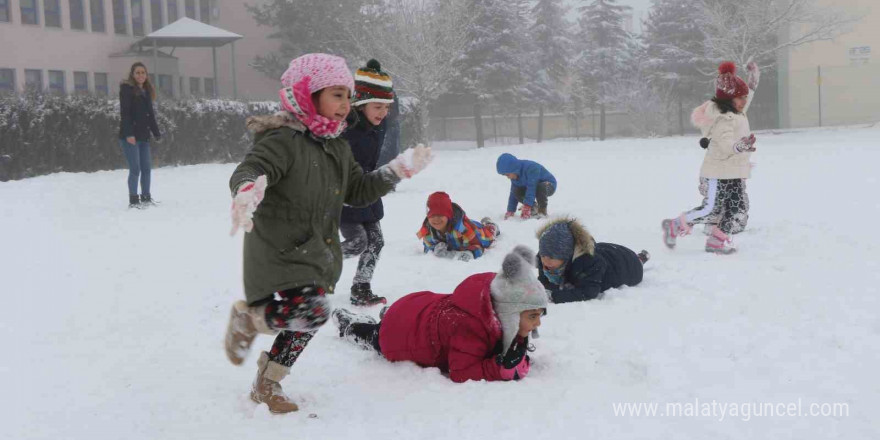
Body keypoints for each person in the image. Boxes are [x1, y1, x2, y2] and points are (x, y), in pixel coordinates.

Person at [222, 53, 431, 414]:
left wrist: (396, 170)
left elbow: (358, 191)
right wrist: (246, 190)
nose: (345, 104)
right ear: (307, 93)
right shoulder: (282, 139)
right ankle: (249, 320)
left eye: (348, 96)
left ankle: (266, 384)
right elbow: (252, 167)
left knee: (308, 319)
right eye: (337, 94)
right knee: (313, 311)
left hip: (316, 249)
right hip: (281, 248)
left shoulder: (336, 145)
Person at [332, 246, 548, 383]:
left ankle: (389, 315)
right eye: (532, 316)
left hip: (417, 306)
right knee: (376, 335)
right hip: (400, 335)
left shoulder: (496, 296)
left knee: (398, 319)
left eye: (539, 315)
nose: (537, 322)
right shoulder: (470, 326)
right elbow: (461, 372)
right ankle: (350, 325)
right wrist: (497, 369)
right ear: (509, 313)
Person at [662, 61, 760, 254]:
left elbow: (746, 97)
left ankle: (717, 240)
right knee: (711, 209)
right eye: (740, 98)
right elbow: (724, 145)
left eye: (744, 98)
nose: (744, 101)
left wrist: (753, 81)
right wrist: (739, 146)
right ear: (730, 99)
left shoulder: (737, 112)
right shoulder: (723, 119)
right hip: (718, 172)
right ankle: (674, 225)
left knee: (736, 208)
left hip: (734, 172)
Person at [340, 59, 397, 307]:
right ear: (361, 104)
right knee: (356, 242)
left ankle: (361, 287)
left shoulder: (379, 124)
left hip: (368, 190)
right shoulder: (345, 127)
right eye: (377, 106)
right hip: (345, 195)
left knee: (376, 240)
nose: (382, 112)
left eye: (386, 106)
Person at [537, 217, 648, 304]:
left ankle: (641, 258)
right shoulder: (543, 259)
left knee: (636, 262)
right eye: (543, 255)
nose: (546, 261)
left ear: (567, 256)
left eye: (552, 257)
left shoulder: (589, 263)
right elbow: (543, 282)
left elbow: (588, 292)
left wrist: (553, 296)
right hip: (605, 250)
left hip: (628, 264)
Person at [118, 62, 161, 208]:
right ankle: (134, 199)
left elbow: (150, 115)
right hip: (130, 137)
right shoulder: (127, 90)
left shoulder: (146, 91)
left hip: (144, 136)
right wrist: (129, 133)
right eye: (138, 73)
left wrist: (156, 132)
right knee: (135, 169)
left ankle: (146, 197)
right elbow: (125, 113)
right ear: (132, 74)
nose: (141, 75)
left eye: (143, 72)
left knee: (146, 168)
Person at [416, 191, 499, 262]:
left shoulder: (463, 229)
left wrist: (470, 253)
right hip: (465, 231)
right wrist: (435, 249)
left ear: (448, 215)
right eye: (432, 216)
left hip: (477, 234)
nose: (436, 220)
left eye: (440, 215)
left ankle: (490, 225)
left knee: (489, 235)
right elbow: (427, 248)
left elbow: (478, 246)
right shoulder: (427, 231)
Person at [495, 153, 556, 219]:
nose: (508, 177)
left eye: (507, 175)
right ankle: (533, 207)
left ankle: (542, 212)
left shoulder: (531, 168)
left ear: (513, 169)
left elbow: (531, 187)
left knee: (540, 188)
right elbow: (513, 193)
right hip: (532, 187)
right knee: (516, 190)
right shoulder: (515, 175)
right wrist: (510, 210)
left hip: (548, 184)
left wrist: (527, 206)